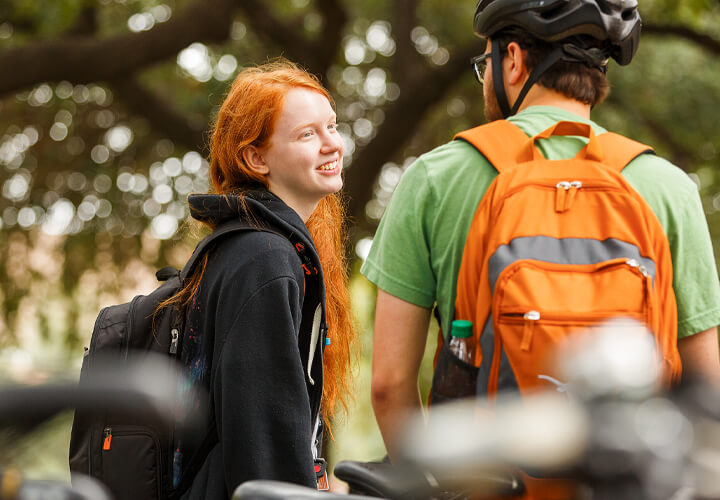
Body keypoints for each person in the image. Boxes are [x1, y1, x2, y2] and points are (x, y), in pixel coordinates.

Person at [362, 0, 720, 465]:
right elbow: (706, 387)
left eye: (484, 64)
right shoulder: (669, 187)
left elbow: (389, 386)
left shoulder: (433, 178)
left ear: (512, 59)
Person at [166, 59, 356, 499]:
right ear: (256, 158)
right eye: (308, 134)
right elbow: (264, 444)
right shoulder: (265, 258)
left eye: (332, 126)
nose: (333, 144)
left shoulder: (255, 245)